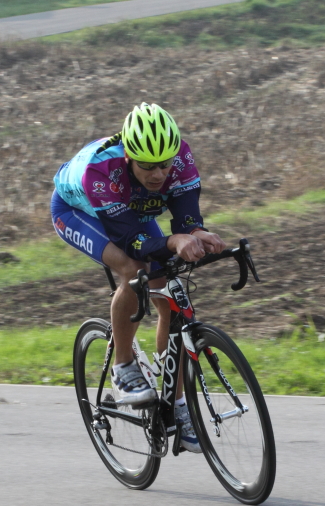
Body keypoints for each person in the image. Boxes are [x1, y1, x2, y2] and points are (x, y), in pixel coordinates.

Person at [51, 103, 227, 453]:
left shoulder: (180, 158)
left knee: (171, 299)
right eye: (147, 166)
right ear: (129, 155)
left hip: (130, 207)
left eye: (165, 164)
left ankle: (178, 407)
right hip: (79, 211)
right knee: (135, 270)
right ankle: (123, 366)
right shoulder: (102, 170)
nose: (159, 173)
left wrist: (195, 231)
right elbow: (134, 240)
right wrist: (174, 241)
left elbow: (185, 214)